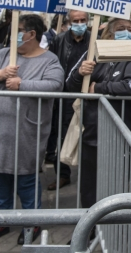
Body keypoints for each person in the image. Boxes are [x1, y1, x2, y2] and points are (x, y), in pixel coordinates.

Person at [0, 14, 64, 245]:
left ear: (31, 34)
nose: (12, 35)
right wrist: (0, 74)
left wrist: (21, 84)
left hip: (27, 132)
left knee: (26, 180)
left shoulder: (50, 60)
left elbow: (55, 84)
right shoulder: (4, 55)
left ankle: (31, 223)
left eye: (18, 30)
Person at [66, 17, 131, 209]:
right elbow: (70, 83)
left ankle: (115, 231)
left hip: (120, 136)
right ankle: (89, 230)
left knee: (117, 188)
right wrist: (80, 73)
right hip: (92, 134)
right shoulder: (94, 52)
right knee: (89, 187)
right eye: (121, 28)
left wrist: (98, 88)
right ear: (110, 33)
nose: (126, 32)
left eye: (130, 29)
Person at [45, 10, 90, 190]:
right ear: (69, 22)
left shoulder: (96, 39)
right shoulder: (59, 40)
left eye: (82, 20)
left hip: (87, 95)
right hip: (64, 96)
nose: (79, 23)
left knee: (88, 135)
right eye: (76, 20)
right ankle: (62, 174)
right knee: (61, 135)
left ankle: (88, 175)